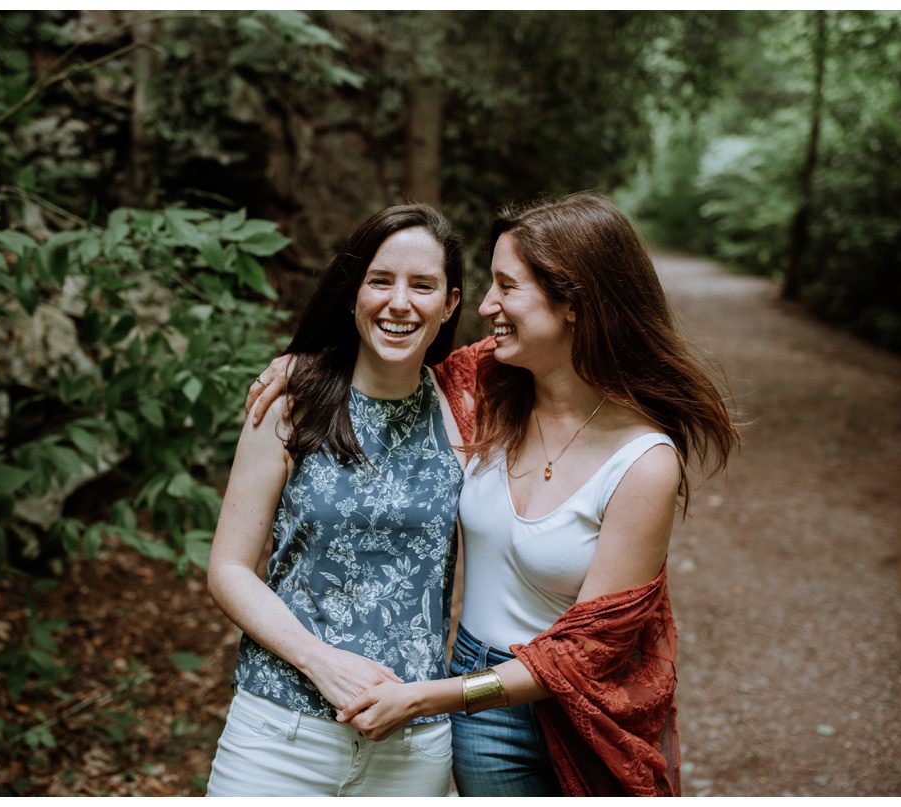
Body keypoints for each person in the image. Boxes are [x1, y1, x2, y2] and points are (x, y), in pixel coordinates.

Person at [248, 192, 738, 796]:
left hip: (583, 713)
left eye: (506, 287)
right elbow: (392, 356)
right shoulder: (483, 390)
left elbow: (583, 652)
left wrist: (432, 697)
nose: (485, 307)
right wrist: (304, 367)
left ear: (574, 304)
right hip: (480, 709)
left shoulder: (642, 461)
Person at [204, 203, 467, 797]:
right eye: (380, 280)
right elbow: (228, 569)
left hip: (412, 746)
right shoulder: (290, 402)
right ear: (353, 293)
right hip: (279, 733)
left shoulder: (466, 411)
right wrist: (320, 661)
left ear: (449, 304)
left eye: (422, 286)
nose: (399, 303)